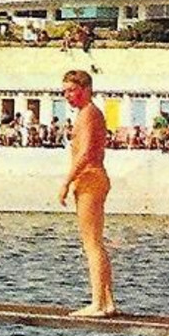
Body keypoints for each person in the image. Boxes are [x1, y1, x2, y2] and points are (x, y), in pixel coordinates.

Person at [59, 70, 117, 317]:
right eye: (65, 91)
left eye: (71, 90)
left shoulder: (89, 114)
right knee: (97, 243)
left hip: (90, 179)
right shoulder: (87, 114)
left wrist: (65, 182)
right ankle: (107, 301)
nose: (67, 96)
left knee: (91, 244)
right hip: (92, 179)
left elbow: (84, 154)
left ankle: (97, 303)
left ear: (85, 89)